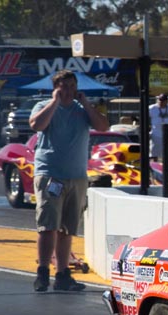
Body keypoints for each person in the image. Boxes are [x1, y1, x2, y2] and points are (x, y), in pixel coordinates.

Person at [28, 69, 109, 292]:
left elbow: (103, 126)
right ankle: (43, 271)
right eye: (64, 87)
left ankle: (62, 273)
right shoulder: (43, 106)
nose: (69, 91)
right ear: (55, 88)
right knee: (48, 226)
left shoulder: (81, 110)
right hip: (51, 174)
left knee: (67, 228)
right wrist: (54, 102)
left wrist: (86, 104)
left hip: (77, 176)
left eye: (72, 86)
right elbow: (36, 125)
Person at [148, 93, 168, 160]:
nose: (161, 102)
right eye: (160, 100)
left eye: (163, 100)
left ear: (167, 101)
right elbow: (146, 118)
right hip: (156, 134)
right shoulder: (152, 108)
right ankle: (154, 164)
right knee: (154, 153)